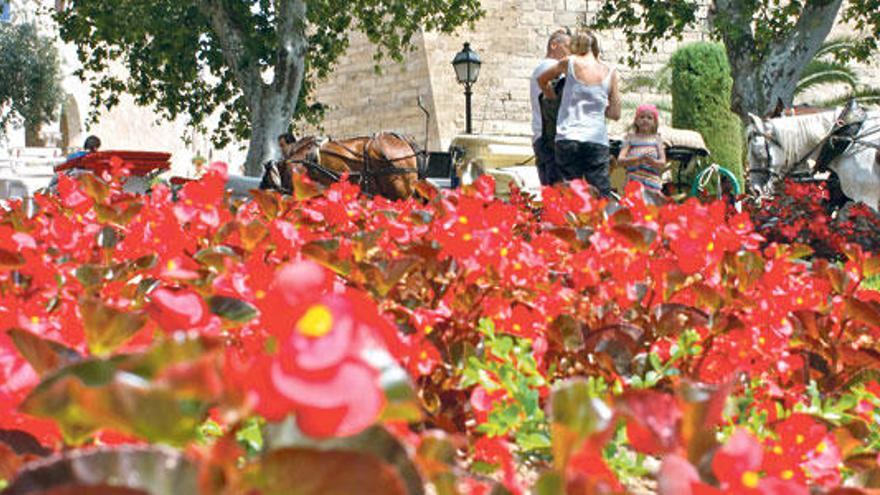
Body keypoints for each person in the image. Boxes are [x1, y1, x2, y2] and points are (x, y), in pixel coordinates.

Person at [537, 30, 621, 197]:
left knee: (568, 195)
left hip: (568, 137)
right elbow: (615, 113)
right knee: (600, 196)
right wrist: (595, 107)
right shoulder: (611, 72)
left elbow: (542, 80)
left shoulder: (569, 62)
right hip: (596, 140)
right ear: (596, 48)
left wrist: (553, 98)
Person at [530, 29, 570, 186]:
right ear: (554, 45)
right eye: (568, 46)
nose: (570, 52)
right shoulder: (551, 65)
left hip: (542, 137)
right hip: (551, 139)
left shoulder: (540, 68)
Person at [617, 104, 666, 192]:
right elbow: (620, 160)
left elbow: (662, 163)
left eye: (649, 118)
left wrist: (652, 162)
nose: (645, 120)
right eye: (642, 117)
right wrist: (637, 160)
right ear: (636, 120)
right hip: (633, 182)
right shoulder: (630, 138)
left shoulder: (657, 139)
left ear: (655, 122)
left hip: (652, 182)